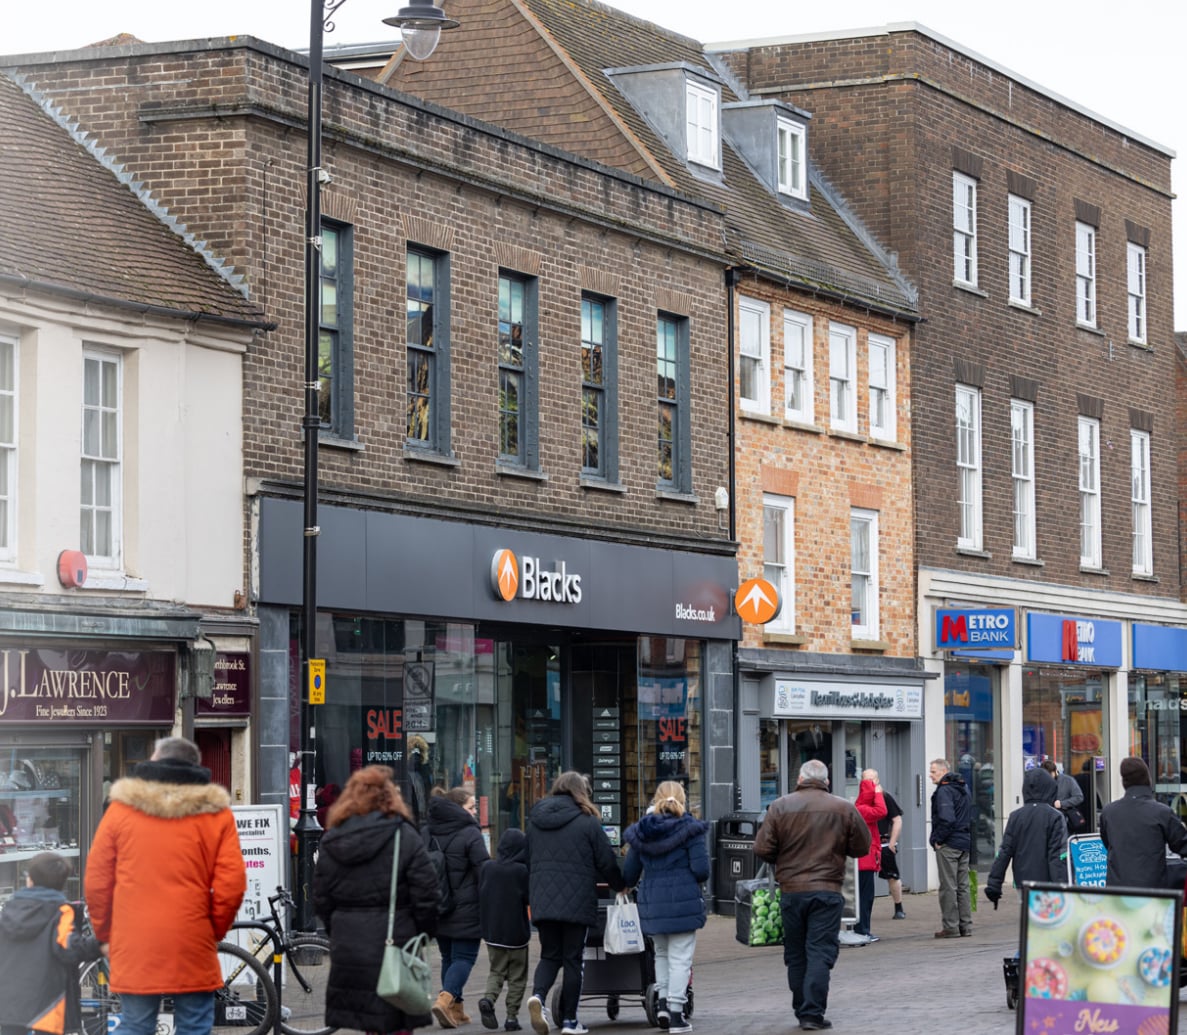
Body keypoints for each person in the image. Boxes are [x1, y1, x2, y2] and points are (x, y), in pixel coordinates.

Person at [83, 736, 246, 1035]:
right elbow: (232, 884)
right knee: (194, 1026)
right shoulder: (216, 815)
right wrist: (213, 930)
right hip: (191, 937)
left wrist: (106, 934)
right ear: (196, 768)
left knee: (135, 1025)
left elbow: (96, 881)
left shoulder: (121, 811)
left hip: (134, 939)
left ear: (153, 763)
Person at [313, 765, 439, 1035]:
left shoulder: (333, 839)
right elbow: (427, 893)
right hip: (397, 942)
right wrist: (424, 932)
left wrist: (339, 931)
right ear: (391, 797)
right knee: (397, 1017)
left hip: (350, 947)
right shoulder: (404, 836)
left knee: (370, 1021)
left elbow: (321, 898)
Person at [752, 758, 870, 1033]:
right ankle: (812, 1013)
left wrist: (783, 858)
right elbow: (861, 847)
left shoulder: (780, 806)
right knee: (820, 951)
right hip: (827, 890)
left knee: (795, 953)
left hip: (791, 891)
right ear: (826, 781)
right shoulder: (843, 807)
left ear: (799, 779)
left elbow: (761, 848)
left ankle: (802, 1008)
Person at [525, 771, 626, 1035]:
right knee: (572, 960)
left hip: (543, 900)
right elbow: (606, 861)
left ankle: (538, 996)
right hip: (576, 902)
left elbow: (528, 858)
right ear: (582, 791)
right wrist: (620, 885)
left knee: (549, 955)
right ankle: (570, 1020)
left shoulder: (535, 819)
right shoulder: (588, 822)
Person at [622, 781, 710, 1034]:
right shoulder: (690, 829)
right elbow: (702, 870)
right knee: (680, 958)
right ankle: (675, 1014)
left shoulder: (642, 831)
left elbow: (630, 873)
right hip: (683, 903)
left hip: (652, 904)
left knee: (660, 954)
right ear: (683, 799)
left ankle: (661, 1004)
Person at [0, 851, 104, 1035]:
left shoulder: (10, 910)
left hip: (10, 1000)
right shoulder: (61, 912)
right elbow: (69, 949)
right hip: (46, 1000)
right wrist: (100, 944)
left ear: (30, 880)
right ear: (62, 883)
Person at [427, 786, 490, 1028]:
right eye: (471, 807)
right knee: (464, 957)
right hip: (467, 906)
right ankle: (445, 999)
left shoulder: (429, 830)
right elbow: (483, 869)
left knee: (448, 957)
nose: (474, 812)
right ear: (458, 808)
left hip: (438, 904)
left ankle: (457, 1010)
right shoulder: (469, 833)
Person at [985, 768, 1067, 910]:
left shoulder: (1016, 816)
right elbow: (1057, 856)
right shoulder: (1054, 816)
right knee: (1046, 922)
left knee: (1028, 919)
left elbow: (1004, 851)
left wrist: (994, 884)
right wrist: (1062, 886)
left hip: (1022, 881)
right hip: (1046, 882)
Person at [1099, 756, 1187, 888]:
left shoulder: (1108, 812)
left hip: (1117, 891)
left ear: (1124, 782)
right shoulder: (1162, 812)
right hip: (1152, 891)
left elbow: (1108, 843)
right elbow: (1182, 845)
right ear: (1148, 780)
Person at [477, 828, 531, 1032]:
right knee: (518, 975)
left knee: (496, 971)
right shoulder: (521, 871)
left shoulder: (487, 867)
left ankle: (488, 999)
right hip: (516, 933)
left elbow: (480, 893)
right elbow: (528, 897)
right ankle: (511, 1018)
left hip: (493, 932)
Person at [929, 757, 973, 939]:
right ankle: (966, 926)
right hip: (964, 841)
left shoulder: (944, 791)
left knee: (948, 887)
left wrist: (937, 839)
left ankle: (951, 927)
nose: (930, 775)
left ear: (943, 771)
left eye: (933, 771)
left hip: (950, 844)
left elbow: (947, 819)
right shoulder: (963, 787)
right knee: (963, 886)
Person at [852, 771, 887, 943]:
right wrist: (878, 793)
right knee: (865, 898)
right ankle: (862, 930)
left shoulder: (859, 806)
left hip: (863, 860)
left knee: (863, 898)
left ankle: (861, 929)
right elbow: (882, 811)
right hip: (864, 861)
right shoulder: (863, 809)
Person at [875, 778, 906, 920]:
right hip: (868, 845)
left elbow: (897, 819)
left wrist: (892, 842)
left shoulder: (885, 797)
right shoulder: (861, 799)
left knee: (892, 875)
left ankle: (898, 907)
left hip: (884, 843)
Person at [1040, 759, 1085, 834]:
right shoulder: (1041, 782)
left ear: (1055, 771)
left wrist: (1062, 803)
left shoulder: (1068, 780)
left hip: (1064, 820)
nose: (1048, 778)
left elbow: (1079, 797)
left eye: (1050, 774)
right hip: (1046, 819)